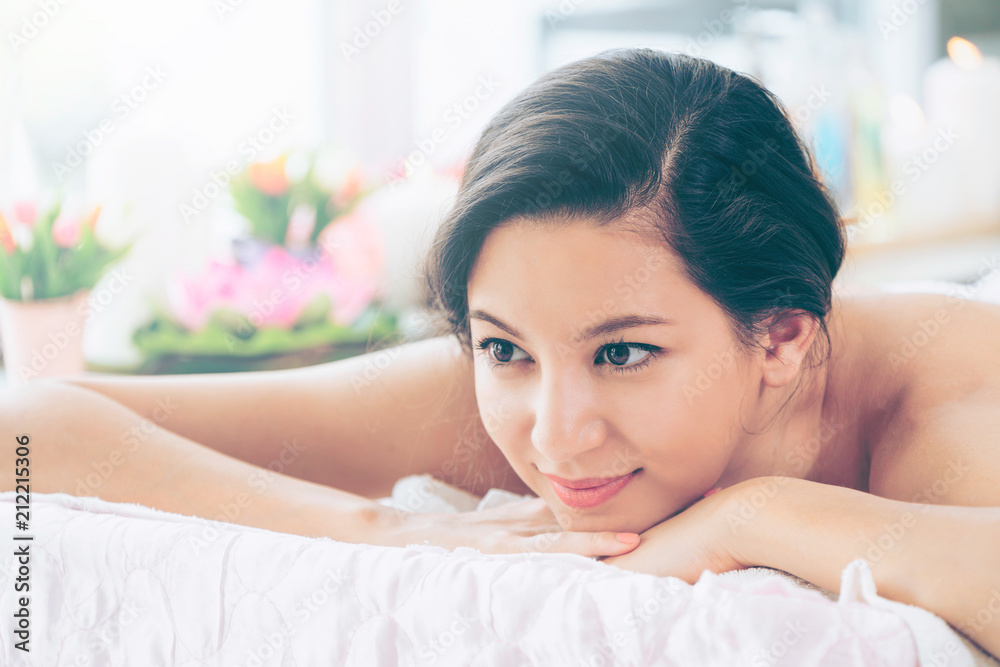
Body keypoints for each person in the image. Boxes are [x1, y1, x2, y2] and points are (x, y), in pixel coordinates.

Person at [3, 48, 998, 657]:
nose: (553, 438)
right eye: (502, 348)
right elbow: (24, 430)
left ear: (779, 335)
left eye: (622, 355)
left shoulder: (940, 415)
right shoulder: (509, 390)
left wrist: (760, 515)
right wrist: (376, 529)